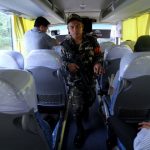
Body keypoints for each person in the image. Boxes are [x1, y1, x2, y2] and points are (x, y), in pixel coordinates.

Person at [61, 13, 103, 148]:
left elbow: (99, 55)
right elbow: (62, 62)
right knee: (77, 107)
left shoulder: (92, 41)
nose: (75, 29)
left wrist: (98, 64)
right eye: (72, 27)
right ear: (68, 29)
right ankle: (79, 130)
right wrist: (68, 66)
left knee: (90, 101)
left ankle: (84, 110)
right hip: (74, 81)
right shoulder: (65, 44)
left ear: (82, 27)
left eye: (78, 26)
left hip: (90, 78)